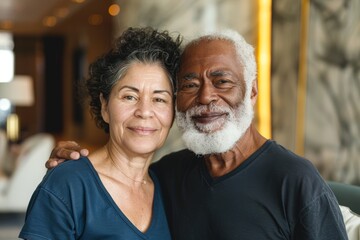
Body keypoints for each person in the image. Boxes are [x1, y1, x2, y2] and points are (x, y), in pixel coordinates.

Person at [46, 29, 348, 239]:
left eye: (222, 81)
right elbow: (114, 184)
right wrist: (76, 164)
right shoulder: (167, 175)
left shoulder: (295, 180)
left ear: (252, 91)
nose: (205, 97)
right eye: (190, 85)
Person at [19, 26, 182, 240]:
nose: (144, 112)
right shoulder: (69, 185)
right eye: (129, 97)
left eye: (159, 99)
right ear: (105, 106)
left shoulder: (170, 188)